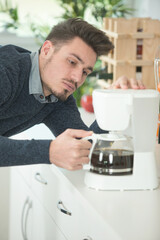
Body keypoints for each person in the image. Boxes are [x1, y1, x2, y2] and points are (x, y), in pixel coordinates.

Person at [0, 18, 145, 170]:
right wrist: (48, 151)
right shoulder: (5, 73)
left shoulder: (58, 97)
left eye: (85, 72)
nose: (77, 78)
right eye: (72, 62)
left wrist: (114, 101)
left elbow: (84, 145)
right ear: (47, 50)